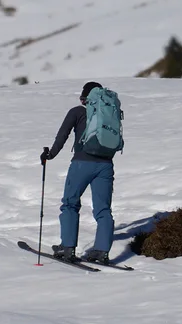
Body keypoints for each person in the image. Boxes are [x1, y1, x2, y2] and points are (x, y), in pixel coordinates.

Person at [40, 81, 123, 264]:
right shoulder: (110, 113)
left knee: (70, 204)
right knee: (103, 209)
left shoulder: (77, 112)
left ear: (85, 98)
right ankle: (102, 251)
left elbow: (62, 135)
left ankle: (67, 248)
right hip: (106, 165)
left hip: (82, 164)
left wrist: (50, 154)